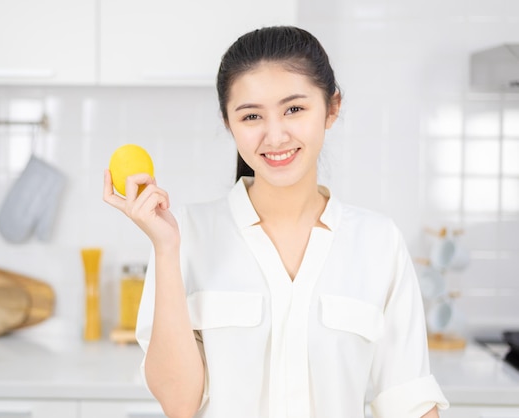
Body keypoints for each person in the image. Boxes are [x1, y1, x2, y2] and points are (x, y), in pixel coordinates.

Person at [104, 25, 449, 418]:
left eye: (294, 109)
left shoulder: (378, 242)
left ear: (331, 108)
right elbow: (179, 404)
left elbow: (409, 403)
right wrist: (166, 249)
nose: (275, 135)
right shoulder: (185, 235)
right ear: (228, 122)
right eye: (251, 116)